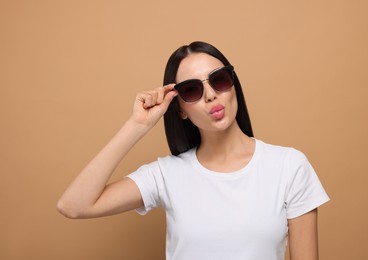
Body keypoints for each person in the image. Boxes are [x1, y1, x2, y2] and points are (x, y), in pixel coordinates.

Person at [57, 41, 329, 260]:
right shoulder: (167, 175)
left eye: (219, 79)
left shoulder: (289, 166)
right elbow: (74, 205)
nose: (211, 95)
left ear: (233, 84)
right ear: (181, 111)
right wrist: (136, 126)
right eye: (192, 90)